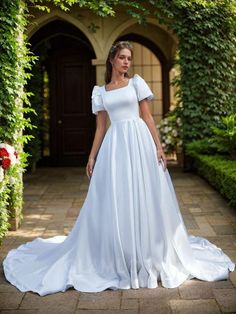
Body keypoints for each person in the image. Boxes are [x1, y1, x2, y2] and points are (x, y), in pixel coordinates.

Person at [3, 41, 234, 296]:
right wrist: (92, 157)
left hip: (140, 144)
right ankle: (120, 250)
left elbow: (147, 118)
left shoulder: (136, 83)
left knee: (144, 197)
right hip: (115, 148)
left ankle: (147, 250)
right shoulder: (100, 92)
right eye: (122, 57)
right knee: (117, 197)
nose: (126, 62)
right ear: (112, 59)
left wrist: (159, 147)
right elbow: (101, 127)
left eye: (129, 58)